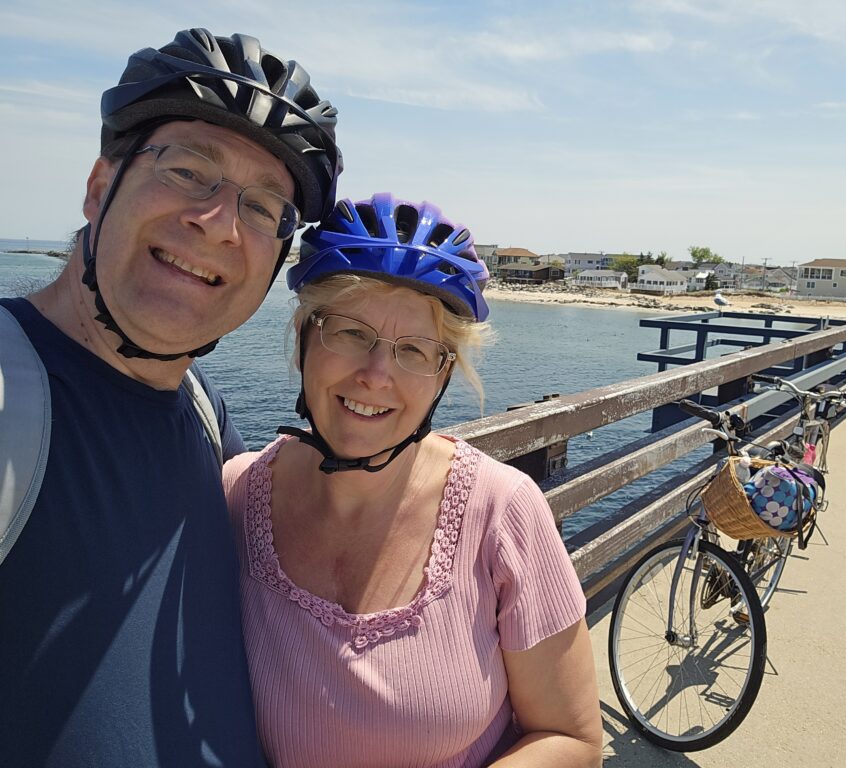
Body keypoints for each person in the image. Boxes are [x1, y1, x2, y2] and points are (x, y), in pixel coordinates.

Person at [0, 28, 341, 767]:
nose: (218, 224)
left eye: (262, 209)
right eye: (188, 171)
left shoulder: (202, 413)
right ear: (99, 189)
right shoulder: (9, 393)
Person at [222, 193, 603, 767]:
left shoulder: (504, 513)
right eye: (350, 333)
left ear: (444, 372)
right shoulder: (234, 497)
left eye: (413, 351)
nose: (376, 375)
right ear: (304, 335)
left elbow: (574, 741)